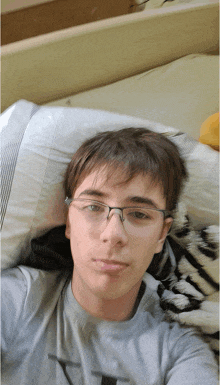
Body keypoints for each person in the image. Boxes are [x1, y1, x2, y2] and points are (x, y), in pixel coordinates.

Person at [1, 127, 218, 385]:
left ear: (162, 234)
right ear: (68, 221)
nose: (113, 234)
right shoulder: (16, 299)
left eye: (139, 214)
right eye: (94, 207)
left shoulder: (180, 352)